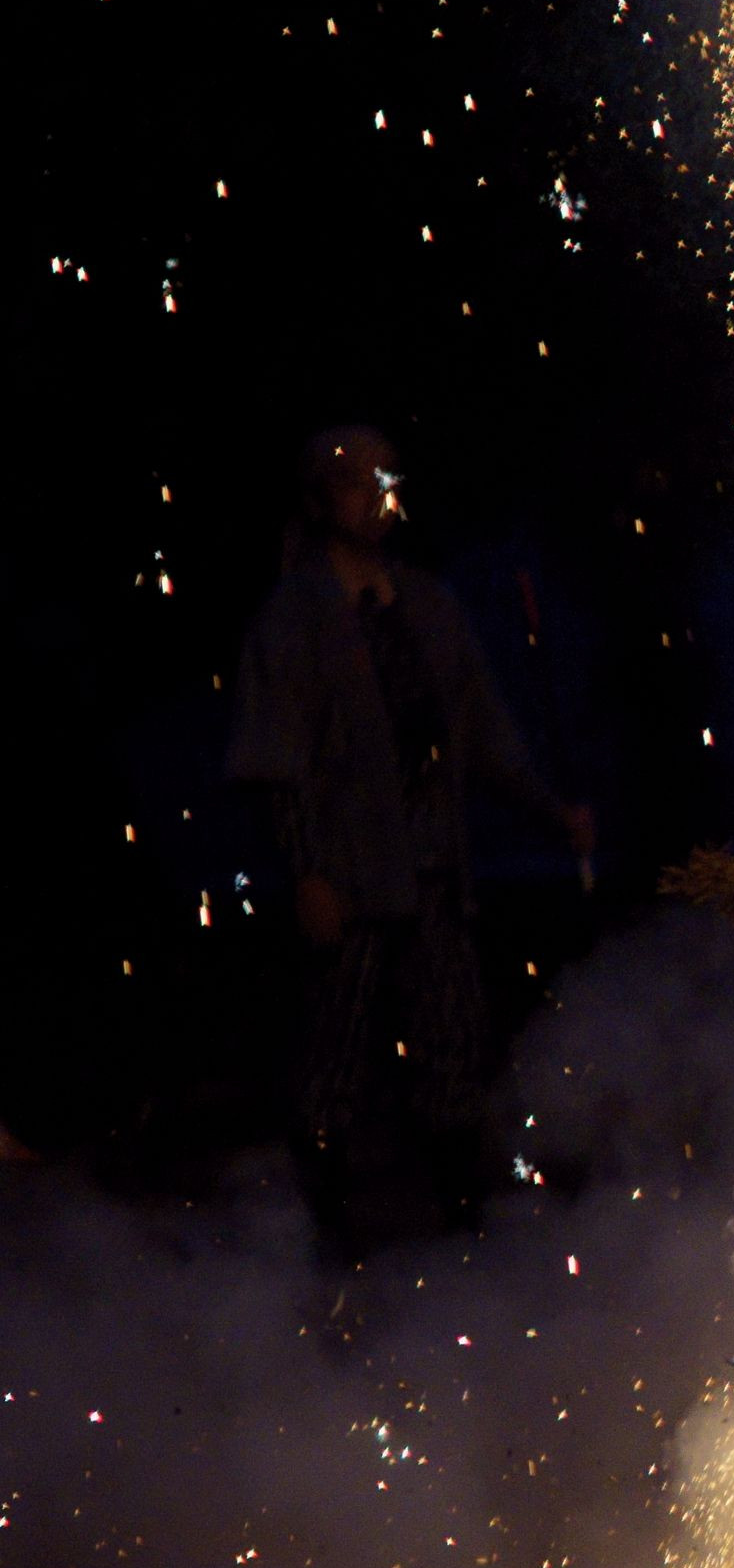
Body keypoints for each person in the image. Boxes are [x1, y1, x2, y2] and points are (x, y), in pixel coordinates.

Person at [227, 426, 592, 1256]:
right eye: (356, 483)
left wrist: (551, 809)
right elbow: (276, 759)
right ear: (322, 501)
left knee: (449, 1046)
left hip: (432, 867)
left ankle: (463, 1231)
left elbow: (482, 729)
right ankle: (325, 1240)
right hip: (351, 871)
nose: (376, 497)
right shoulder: (296, 617)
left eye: (384, 479)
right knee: (334, 1055)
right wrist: (308, 872)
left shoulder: (426, 606)